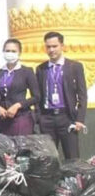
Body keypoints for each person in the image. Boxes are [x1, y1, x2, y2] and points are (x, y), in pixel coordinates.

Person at [36, 31, 87, 160]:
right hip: (47, 119)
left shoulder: (74, 66)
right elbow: (37, 96)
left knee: (72, 158)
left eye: (55, 46)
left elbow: (82, 94)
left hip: (67, 118)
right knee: (48, 160)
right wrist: (39, 118)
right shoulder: (41, 69)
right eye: (48, 47)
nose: (51, 50)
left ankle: (74, 175)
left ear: (62, 46)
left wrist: (79, 119)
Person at [0, 38, 40, 136]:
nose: (10, 54)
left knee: (20, 145)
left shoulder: (27, 71)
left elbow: (36, 97)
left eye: (13, 51)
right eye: (7, 51)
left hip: (21, 117)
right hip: (3, 119)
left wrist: (18, 105)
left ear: (20, 53)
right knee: (5, 145)